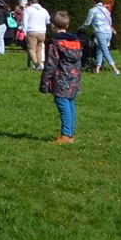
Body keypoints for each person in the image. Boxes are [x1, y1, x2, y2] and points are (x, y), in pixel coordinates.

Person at [38, 10, 84, 143]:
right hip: (74, 78)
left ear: (53, 25)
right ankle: (69, 133)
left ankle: (65, 134)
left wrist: (44, 83)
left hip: (61, 79)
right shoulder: (76, 42)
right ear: (67, 25)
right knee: (69, 103)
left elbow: (50, 65)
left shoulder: (54, 43)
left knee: (63, 104)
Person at [84, 0, 120, 75]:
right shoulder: (106, 10)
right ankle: (97, 69)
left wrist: (81, 28)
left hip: (101, 33)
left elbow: (87, 23)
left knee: (105, 50)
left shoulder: (92, 10)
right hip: (109, 33)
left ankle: (115, 69)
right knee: (99, 50)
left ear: (94, 2)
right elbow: (110, 22)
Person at [22, 0, 50, 71]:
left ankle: (36, 64)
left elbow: (24, 21)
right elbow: (48, 21)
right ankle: (40, 64)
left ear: (30, 2)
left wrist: (24, 31)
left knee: (31, 49)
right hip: (42, 32)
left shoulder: (28, 9)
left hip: (31, 31)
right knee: (39, 49)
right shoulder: (44, 10)